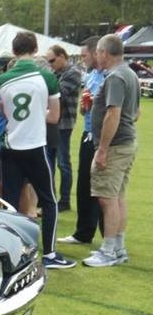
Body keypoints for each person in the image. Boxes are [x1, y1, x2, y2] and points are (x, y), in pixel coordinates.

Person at [0, 30, 75, 269]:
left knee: (9, 202)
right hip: (35, 146)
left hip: (11, 146)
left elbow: (4, 113)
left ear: (14, 51)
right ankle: (49, 254)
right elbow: (55, 117)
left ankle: (9, 252)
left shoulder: (2, 80)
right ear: (35, 49)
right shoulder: (47, 78)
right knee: (48, 200)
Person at [82, 34, 141, 267]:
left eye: (98, 51)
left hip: (115, 146)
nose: (96, 55)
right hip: (127, 142)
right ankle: (118, 248)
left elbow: (113, 113)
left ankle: (108, 251)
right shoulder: (130, 74)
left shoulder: (116, 77)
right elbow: (135, 113)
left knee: (107, 199)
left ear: (105, 52)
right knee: (117, 197)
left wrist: (103, 149)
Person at [58, 36, 105, 246]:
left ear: (97, 52)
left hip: (101, 137)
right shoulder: (92, 75)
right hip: (87, 133)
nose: (83, 59)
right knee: (84, 184)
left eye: (85, 55)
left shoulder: (109, 76)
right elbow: (85, 106)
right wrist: (85, 106)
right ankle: (83, 233)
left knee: (102, 189)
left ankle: (109, 239)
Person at [46, 45, 79, 210]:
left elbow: (60, 93)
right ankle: (49, 197)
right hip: (51, 123)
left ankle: (65, 200)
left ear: (61, 56)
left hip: (64, 124)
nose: (50, 64)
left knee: (63, 163)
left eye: (52, 60)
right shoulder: (54, 74)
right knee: (49, 162)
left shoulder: (73, 72)